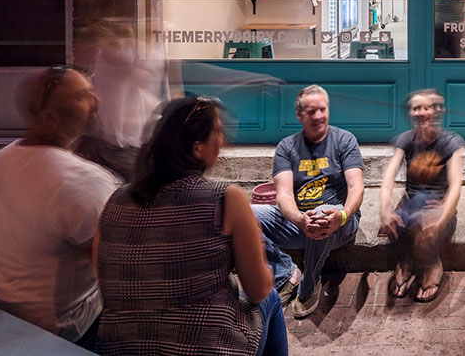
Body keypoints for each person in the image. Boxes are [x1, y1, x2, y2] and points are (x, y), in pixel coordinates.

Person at [95, 97, 287, 356]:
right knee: (271, 297)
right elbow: (258, 289)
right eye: (218, 132)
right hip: (206, 345)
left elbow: (103, 275)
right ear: (197, 148)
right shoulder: (225, 198)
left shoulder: (117, 200)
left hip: (121, 346)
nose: (223, 141)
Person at [0, 65, 120, 348]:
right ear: (48, 118)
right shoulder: (82, 179)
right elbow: (114, 263)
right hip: (60, 329)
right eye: (83, 95)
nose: (97, 100)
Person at [253, 85, 364, 318]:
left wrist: (343, 215)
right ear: (299, 116)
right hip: (298, 222)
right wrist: (300, 219)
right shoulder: (287, 147)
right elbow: (283, 194)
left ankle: (309, 285)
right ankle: (286, 273)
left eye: (322, 110)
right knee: (243, 213)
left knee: (323, 212)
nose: (318, 116)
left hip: (339, 221)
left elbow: (356, 187)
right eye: (311, 111)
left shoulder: (344, 140)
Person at [378, 90, 465, 303]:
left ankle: (433, 265)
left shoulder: (451, 141)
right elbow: (388, 180)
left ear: (437, 111)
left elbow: (455, 186)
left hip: (438, 206)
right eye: (416, 108)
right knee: (397, 221)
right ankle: (404, 263)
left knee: (420, 222)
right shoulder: (406, 139)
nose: (420, 113)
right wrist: (385, 211)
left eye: (425, 108)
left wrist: (440, 218)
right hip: (412, 202)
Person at [74, 18, 169, 182]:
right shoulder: (116, 53)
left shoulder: (131, 55)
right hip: (117, 146)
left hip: (130, 143)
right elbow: (141, 77)